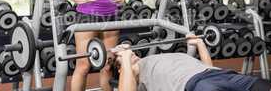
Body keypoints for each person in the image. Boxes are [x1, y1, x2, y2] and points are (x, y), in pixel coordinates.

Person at [112, 35, 271, 91]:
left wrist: (200, 45)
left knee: (263, 86)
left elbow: (206, 67)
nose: (132, 53)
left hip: (220, 74)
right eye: (126, 55)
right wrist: (124, 58)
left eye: (131, 52)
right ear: (121, 70)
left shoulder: (154, 58)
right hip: (197, 85)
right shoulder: (134, 79)